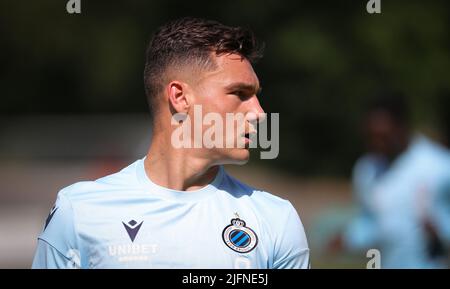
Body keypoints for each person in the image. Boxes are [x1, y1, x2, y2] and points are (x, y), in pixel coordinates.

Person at [31, 17, 310, 269]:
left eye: (256, 96)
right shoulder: (78, 211)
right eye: (239, 93)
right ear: (180, 97)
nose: (259, 113)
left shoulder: (276, 220)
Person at [341, 94, 450, 268]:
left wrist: (441, 231)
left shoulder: (440, 166)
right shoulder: (367, 170)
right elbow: (370, 222)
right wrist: (349, 238)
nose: (377, 144)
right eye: (371, 137)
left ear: (402, 127)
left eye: (383, 136)